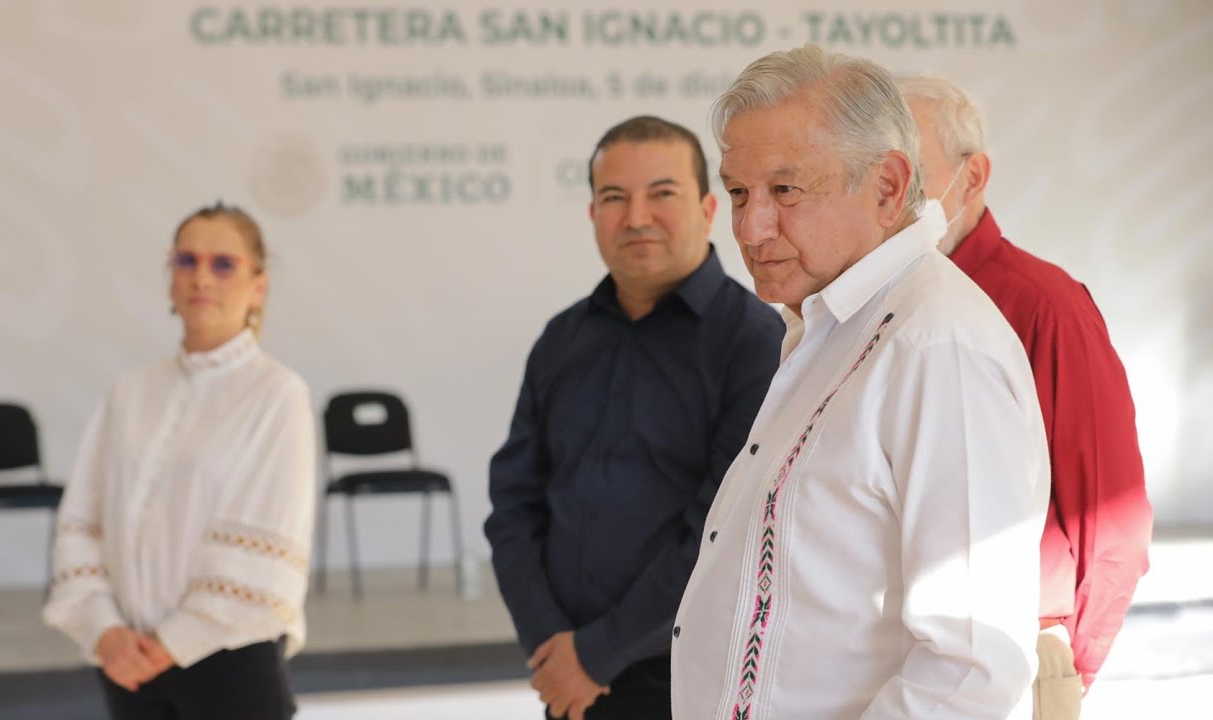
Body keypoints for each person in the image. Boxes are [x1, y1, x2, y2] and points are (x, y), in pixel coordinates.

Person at [671, 45, 1051, 719]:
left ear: (886, 187)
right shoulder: (835, 323)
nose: (751, 228)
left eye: (786, 190)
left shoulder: (937, 346)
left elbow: (971, 672)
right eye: (738, 193)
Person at [486, 115, 785, 720]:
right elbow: (513, 505)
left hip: (691, 682)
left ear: (707, 209)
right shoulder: (561, 340)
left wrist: (596, 655)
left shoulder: (754, 344)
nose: (636, 217)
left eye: (662, 193)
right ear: (592, 213)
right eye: (614, 198)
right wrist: (551, 646)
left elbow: (723, 534)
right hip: (567, 679)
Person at [898, 73, 1153, 718]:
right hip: (897, 657)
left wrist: (1062, 673)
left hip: (1014, 657)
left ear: (973, 177)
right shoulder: (874, 305)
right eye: (876, 173)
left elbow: (1114, 518)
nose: (893, 196)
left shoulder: (1045, 307)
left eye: (913, 174)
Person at [43, 203, 315, 720]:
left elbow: (267, 548)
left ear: (259, 285)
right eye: (186, 261)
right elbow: (81, 524)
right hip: (126, 661)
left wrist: (172, 644)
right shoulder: (129, 392)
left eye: (223, 264)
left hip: (228, 660)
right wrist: (104, 630)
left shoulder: (276, 395)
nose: (201, 278)